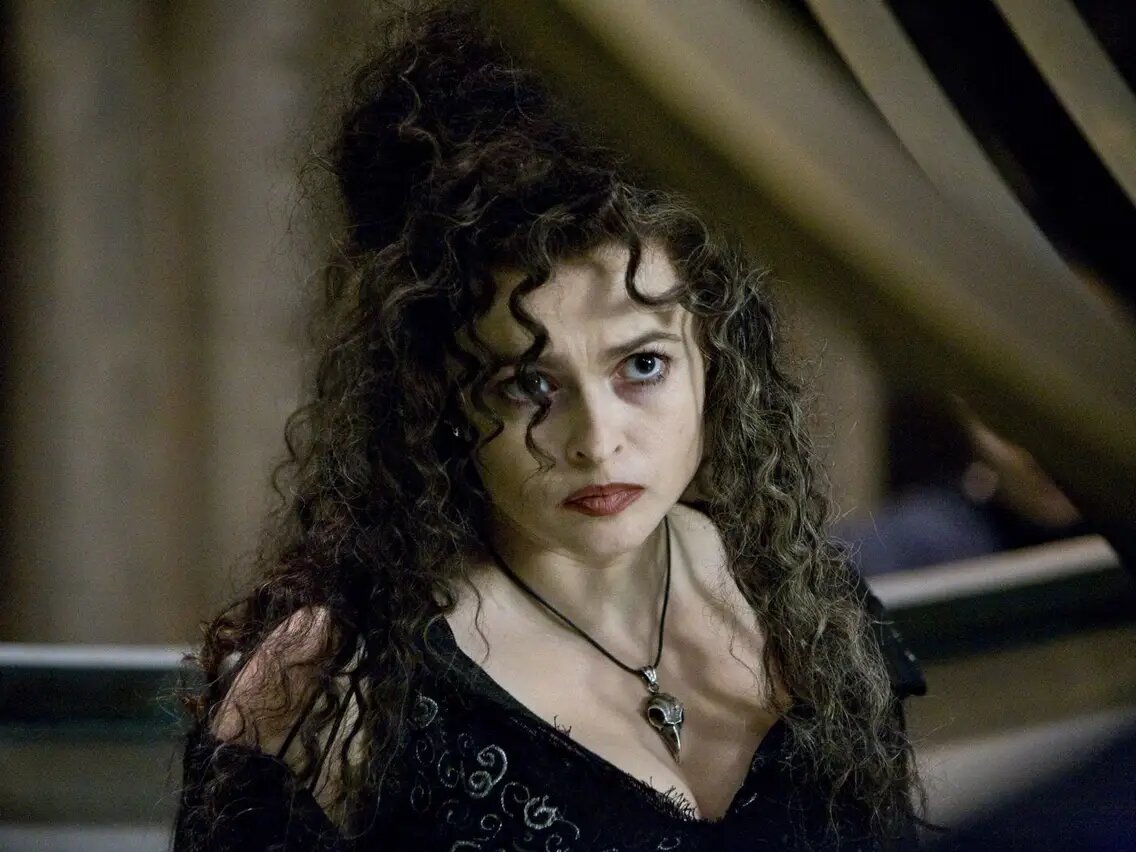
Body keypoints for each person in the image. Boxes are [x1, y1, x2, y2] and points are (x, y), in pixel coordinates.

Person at [173, 5, 924, 850]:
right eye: (529, 383)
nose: (596, 441)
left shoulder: (805, 607)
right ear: (435, 390)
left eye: (643, 365)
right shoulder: (329, 685)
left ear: (717, 353)